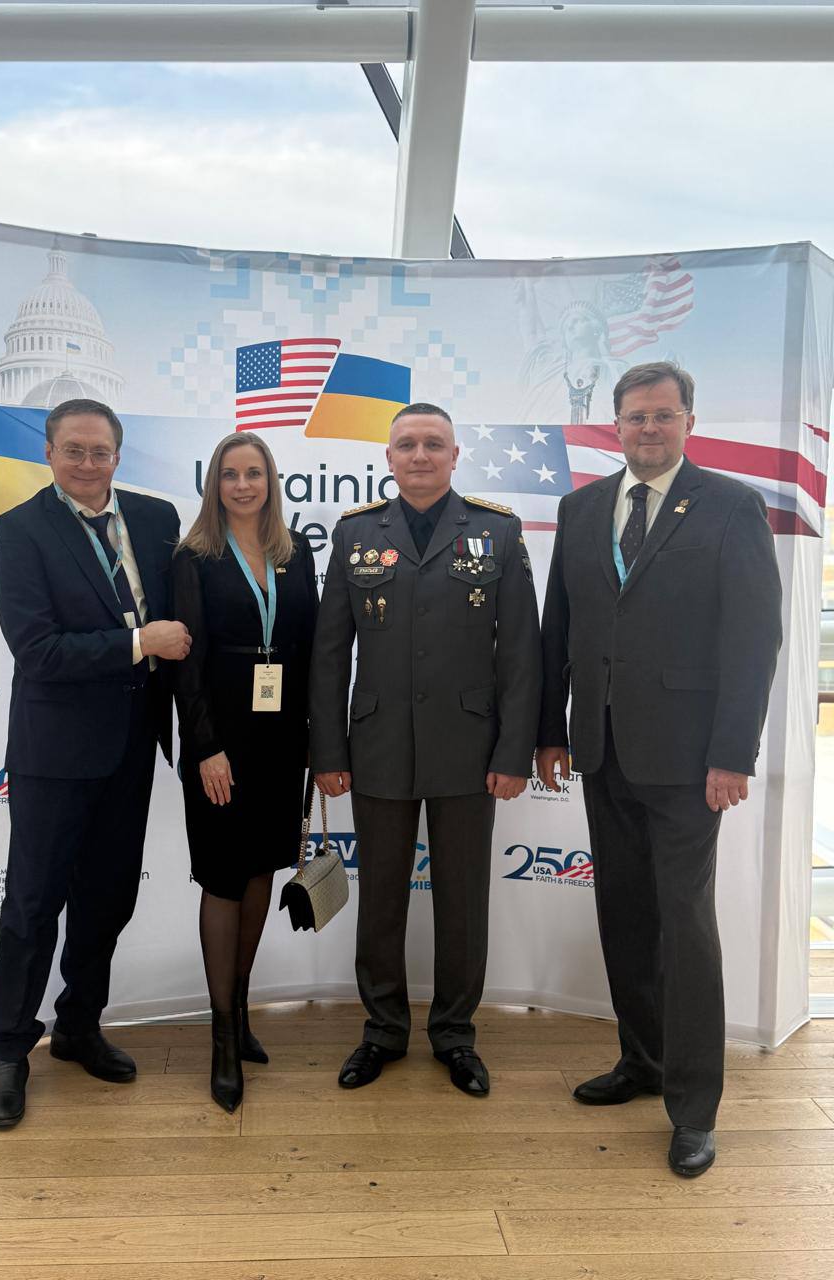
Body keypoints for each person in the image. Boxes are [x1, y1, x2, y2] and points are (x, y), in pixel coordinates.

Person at [536, 361, 783, 1177]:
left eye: (663, 415)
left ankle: (694, 1107)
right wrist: (550, 731)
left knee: (686, 931)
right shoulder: (579, 509)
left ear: (688, 422)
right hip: (602, 749)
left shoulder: (731, 506)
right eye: (636, 416)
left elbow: (753, 639)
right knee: (625, 915)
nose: (648, 428)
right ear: (615, 425)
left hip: (688, 761)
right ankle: (642, 1062)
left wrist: (732, 754)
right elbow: (559, 629)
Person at [310, 402, 542, 1097]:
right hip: (378, 744)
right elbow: (329, 654)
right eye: (407, 444)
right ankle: (382, 1031)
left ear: (454, 456)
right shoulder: (355, 533)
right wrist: (328, 750)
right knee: (380, 898)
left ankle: (455, 1036)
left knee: (463, 901)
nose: (419, 455)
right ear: (388, 458)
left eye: (433, 444)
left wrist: (514, 752)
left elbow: (522, 654)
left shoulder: (497, 532)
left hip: (470, 749)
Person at [0, 398, 191, 1128]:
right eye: (73, 449)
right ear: (48, 452)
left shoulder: (157, 518)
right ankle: (9, 1050)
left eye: (100, 451)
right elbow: (36, 650)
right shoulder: (21, 528)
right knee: (33, 903)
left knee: (107, 898)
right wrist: (138, 643)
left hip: (133, 745)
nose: (87, 463)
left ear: (118, 455)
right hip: (54, 750)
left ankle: (79, 1025)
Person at [172, 430, 318, 1113]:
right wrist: (205, 746)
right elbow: (186, 662)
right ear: (215, 484)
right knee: (225, 876)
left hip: (281, 738)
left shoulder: (296, 552)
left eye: (253, 473)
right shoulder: (194, 556)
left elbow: (312, 648)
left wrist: (315, 739)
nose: (242, 485)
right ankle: (222, 1037)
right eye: (230, 474)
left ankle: (240, 1006)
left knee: (261, 869)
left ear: (270, 480)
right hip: (221, 738)